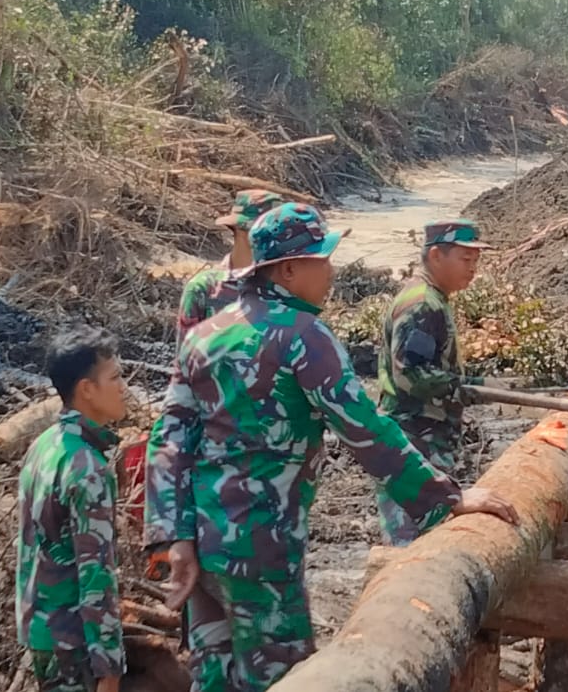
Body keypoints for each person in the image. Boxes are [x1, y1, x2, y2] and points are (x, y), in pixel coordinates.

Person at [144, 202, 518, 692]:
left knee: (214, 677)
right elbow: (363, 429)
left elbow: (168, 439)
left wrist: (172, 536)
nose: (332, 271)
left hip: (203, 542)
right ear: (289, 269)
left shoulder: (205, 337)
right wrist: (446, 497)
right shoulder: (303, 336)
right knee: (281, 678)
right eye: (323, 260)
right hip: (264, 548)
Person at [16, 327, 130, 692]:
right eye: (114, 377)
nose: (124, 386)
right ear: (86, 389)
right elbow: (96, 578)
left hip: (41, 634)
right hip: (74, 645)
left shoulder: (44, 447)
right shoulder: (88, 469)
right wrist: (109, 667)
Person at [375, 219, 492, 545]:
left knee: (425, 538)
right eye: (465, 260)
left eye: (476, 262)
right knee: (411, 543)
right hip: (414, 441)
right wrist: (465, 387)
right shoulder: (422, 304)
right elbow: (411, 374)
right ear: (437, 256)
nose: (472, 269)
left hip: (425, 438)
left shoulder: (433, 299)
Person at [177, 190, 286, 335]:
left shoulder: (286, 288)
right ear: (240, 229)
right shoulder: (203, 288)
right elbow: (186, 354)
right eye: (265, 231)